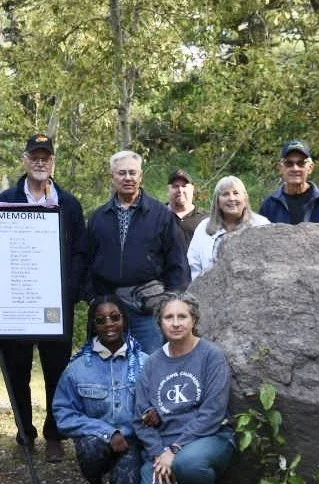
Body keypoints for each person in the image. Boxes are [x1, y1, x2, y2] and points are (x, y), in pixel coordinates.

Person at [0, 133, 86, 462]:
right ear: (25, 160)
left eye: (46, 157)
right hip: (16, 303)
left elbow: (79, 252)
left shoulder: (69, 203)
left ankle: (54, 432)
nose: (40, 162)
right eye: (35, 156)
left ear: (53, 162)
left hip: (55, 305)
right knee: (16, 369)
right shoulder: (5, 200)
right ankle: (25, 430)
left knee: (56, 372)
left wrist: (70, 291)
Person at [133, 293, 235, 484]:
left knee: (188, 462)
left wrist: (175, 449)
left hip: (208, 438)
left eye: (182, 316)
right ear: (160, 322)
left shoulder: (211, 356)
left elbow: (213, 412)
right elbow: (140, 417)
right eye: (169, 317)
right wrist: (159, 452)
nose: (176, 323)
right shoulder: (151, 363)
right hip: (164, 448)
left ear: (194, 320)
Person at [77, 150, 190, 356]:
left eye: (132, 172)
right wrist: (93, 298)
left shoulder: (162, 216)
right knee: (108, 366)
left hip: (148, 310)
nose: (127, 178)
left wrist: (168, 302)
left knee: (150, 366)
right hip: (108, 309)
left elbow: (178, 265)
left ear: (141, 176)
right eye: (121, 173)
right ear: (112, 177)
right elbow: (86, 262)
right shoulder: (98, 218)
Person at [51, 297, 149, 484]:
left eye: (115, 317)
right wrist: (107, 433)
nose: (109, 324)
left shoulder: (145, 363)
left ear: (124, 320)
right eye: (101, 320)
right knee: (90, 446)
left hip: (131, 441)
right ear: (93, 326)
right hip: (97, 439)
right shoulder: (77, 368)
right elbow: (64, 414)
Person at [187, 176, 270, 278]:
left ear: (245, 198)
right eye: (225, 194)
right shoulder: (203, 227)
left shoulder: (261, 225)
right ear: (217, 201)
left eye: (236, 193)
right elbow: (194, 263)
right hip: (209, 290)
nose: (231, 198)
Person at [259, 140, 319, 224]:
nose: (295, 168)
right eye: (289, 163)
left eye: (301, 163)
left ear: (310, 168)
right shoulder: (269, 205)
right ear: (281, 168)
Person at [166, 169, 207, 249]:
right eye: (175, 186)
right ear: (168, 190)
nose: (180, 190)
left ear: (192, 189)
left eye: (184, 186)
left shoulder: (205, 220)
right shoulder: (157, 215)